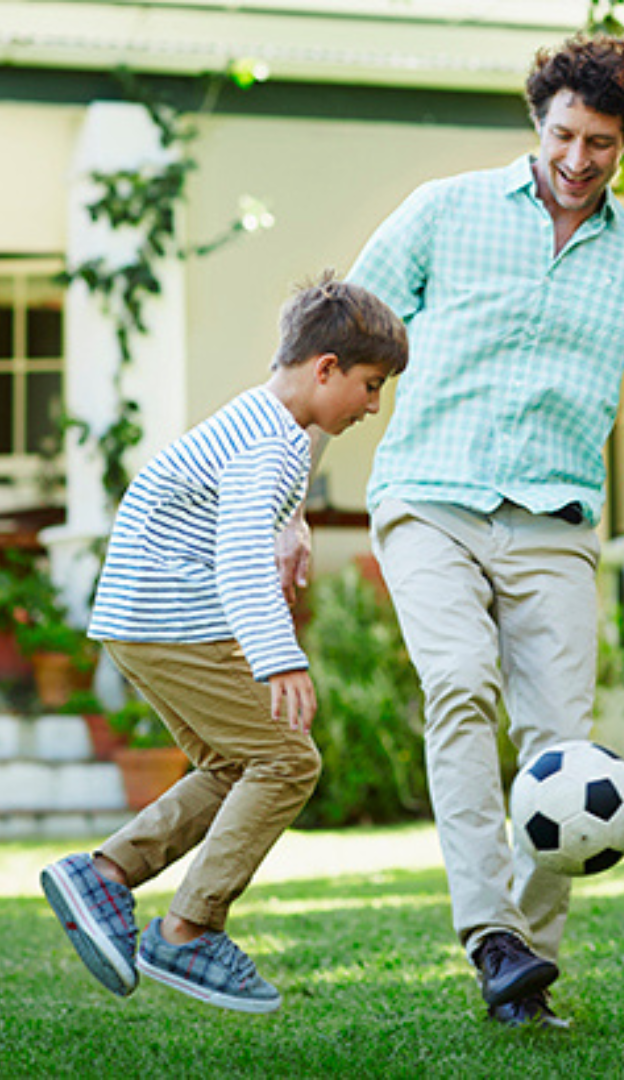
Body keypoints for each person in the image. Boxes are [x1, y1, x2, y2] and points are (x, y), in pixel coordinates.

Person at [280, 33, 624, 1029]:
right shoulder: (445, 211)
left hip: (553, 527)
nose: (578, 159)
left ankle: (526, 975)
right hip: (430, 500)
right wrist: (287, 499)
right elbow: (331, 351)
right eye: (564, 133)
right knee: (461, 685)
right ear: (538, 121)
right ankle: (490, 934)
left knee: (565, 750)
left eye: (602, 142)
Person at [41, 274, 408, 1015]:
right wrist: (280, 656)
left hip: (142, 615)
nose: (374, 406)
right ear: (325, 368)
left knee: (238, 761)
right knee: (287, 758)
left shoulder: (269, 424)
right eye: (370, 386)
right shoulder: (270, 446)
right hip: (171, 616)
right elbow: (241, 553)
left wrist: (294, 523)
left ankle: (105, 877)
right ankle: (188, 928)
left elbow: (265, 496)